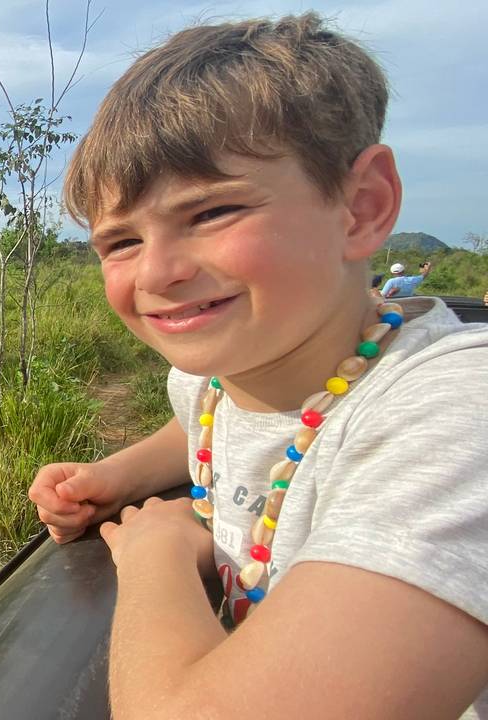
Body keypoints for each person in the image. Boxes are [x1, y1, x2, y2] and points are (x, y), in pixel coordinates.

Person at [28, 13, 488, 719]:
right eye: (119, 242)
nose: (157, 271)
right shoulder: (213, 376)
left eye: (211, 212)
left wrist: (157, 553)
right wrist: (116, 476)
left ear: (362, 207)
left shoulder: (456, 414)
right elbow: (204, 416)